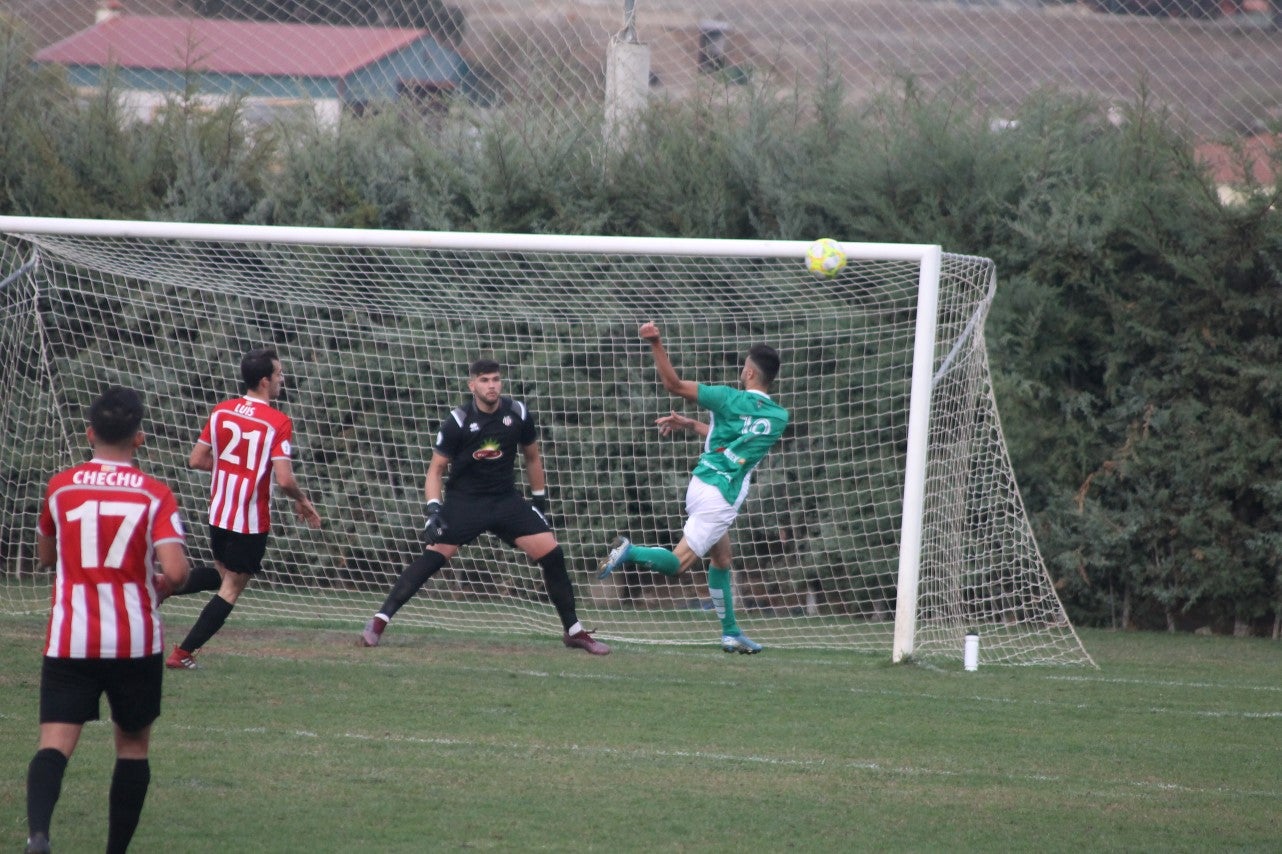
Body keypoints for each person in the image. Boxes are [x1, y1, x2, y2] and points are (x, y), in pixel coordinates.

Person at [26, 386, 191, 854]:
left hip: (70, 638)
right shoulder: (155, 494)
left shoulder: (61, 486)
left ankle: (38, 833)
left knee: (54, 745)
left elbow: (46, 555)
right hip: (134, 640)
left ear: (89, 433)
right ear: (139, 437)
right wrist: (159, 584)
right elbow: (176, 571)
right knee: (133, 747)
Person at [361, 358, 609, 655]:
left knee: (552, 553)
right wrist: (433, 511)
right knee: (433, 558)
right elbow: (435, 470)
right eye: (484, 380)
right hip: (465, 502)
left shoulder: (517, 413)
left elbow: (532, 457)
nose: (491, 385)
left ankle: (574, 631)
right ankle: (379, 621)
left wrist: (539, 502)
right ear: (472, 385)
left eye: (495, 379)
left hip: (505, 501)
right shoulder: (458, 422)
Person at [597, 321, 789, 654]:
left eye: (744, 368)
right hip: (721, 497)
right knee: (678, 564)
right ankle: (629, 551)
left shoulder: (726, 398)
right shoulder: (778, 417)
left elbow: (672, 385)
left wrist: (656, 342)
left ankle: (730, 632)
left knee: (722, 558)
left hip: (702, 483)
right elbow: (741, 440)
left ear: (749, 374)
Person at [164, 347, 321, 669]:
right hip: (249, 520)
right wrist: (302, 501)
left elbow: (196, 459)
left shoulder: (221, 411)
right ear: (265, 381)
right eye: (278, 374)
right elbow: (285, 479)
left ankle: (157, 585)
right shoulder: (278, 422)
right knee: (232, 588)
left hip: (219, 512)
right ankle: (183, 653)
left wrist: (230, 469)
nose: (282, 379)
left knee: (223, 575)